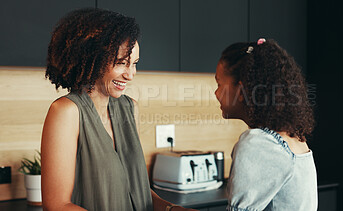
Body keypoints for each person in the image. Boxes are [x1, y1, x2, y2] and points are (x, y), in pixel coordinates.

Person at [41, 8, 195, 211]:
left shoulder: (130, 108)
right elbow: (57, 206)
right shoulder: (66, 111)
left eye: (135, 64)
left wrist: (171, 209)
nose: (130, 75)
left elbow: (137, 191)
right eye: (122, 63)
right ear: (92, 59)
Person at [214, 38, 317, 211]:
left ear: (241, 91)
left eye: (219, 84)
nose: (215, 93)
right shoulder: (293, 139)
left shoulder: (259, 144)